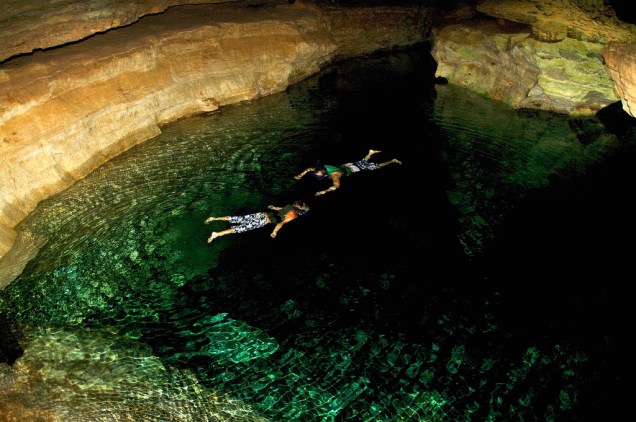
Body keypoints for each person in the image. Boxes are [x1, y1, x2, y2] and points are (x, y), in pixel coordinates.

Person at [294, 149, 401, 196]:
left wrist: (324, 191)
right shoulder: (322, 168)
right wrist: (300, 175)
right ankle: (370, 153)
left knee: (375, 167)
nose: (316, 174)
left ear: (323, 173)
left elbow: (336, 186)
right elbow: (309, 169)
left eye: (317, 174)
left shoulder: (334, 175)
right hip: (347, 165)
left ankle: (392, 160)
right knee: (363, 162)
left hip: (353, 168)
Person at [204, 201, 310, 243]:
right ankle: (216, 234)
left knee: (236, 218)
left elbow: (281, 209)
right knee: (238, 229)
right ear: (299, 211)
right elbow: (280, 223)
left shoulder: (290, 206)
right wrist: (274, 232)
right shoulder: (293, 216)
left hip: (261, 214)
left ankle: (214, 218)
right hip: (262, 221)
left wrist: (273, 207)